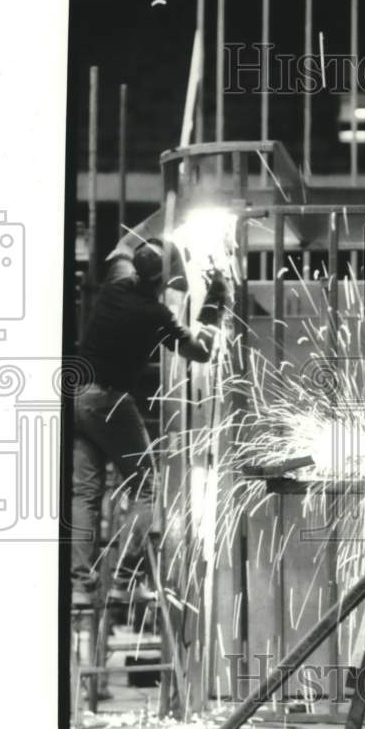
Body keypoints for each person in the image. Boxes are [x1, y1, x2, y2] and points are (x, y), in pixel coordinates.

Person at [71, 238, 228, 608]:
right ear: (163, 279)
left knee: (85, 493)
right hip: (108, 400)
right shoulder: (153, 316)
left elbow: (122, 245)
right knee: (146, 489)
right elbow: (200, 350)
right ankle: (124, 580)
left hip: (75, 397)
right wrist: (213, 304)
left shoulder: (115, 284)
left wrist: (156, 236)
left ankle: (82, 584)